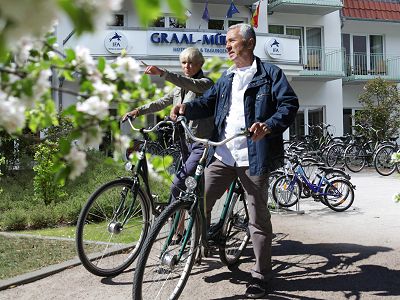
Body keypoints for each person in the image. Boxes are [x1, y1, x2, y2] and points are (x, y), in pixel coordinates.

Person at [170, 24, 299, 298]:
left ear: (249, 44)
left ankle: (261, 275)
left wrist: (269, 125)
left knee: (257, 217)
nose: (227, 46)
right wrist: (185, 107)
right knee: (198, 200)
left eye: (232, 41)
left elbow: (289, 105)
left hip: (253, 157)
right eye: (226, 42)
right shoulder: (227, 77)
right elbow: (208, 103)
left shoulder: (270, 75)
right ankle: (200, 243)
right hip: (224, 154)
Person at [123, 47, 214, 201]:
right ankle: (185, 221)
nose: (186, 66)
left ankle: (184, 220)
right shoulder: (179, 88)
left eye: (191, 63)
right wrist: (137, 111)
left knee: (178, 183)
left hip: (201, 144)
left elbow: (191, 83)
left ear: (200, 64)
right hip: (184, 142)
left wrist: (162, 73)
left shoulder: (205, 84)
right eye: (184, 63)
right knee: (191, 185)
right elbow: (161, 102)